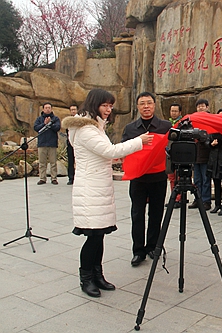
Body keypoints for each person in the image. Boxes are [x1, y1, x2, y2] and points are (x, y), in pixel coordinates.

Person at [62, 88, 153, 297]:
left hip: (98, 187)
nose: (108, 109)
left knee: (100, 234)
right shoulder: (86, 129)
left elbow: (104, 154)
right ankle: (86, 278)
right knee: (93, 237)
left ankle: (97, 274)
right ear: (94, 104)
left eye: (111, 106)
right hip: (90, 189)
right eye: (105, 105)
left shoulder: (95, 126)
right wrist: (140, 141)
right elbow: (109, 151)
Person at [121, 92, 172, 267]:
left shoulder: (165, 126)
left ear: (155, 105)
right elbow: (124, 150)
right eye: (142, 103)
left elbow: (170, 149)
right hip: (138, 178)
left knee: (156, 213)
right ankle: (138, 250)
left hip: (158, 177)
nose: (146, 106)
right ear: (137, 107)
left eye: (149, 103)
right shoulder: (130, 129)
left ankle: (153, 246)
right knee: (137, 214)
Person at [188, 99, 212, 211]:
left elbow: (211, 137)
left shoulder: (211, 120)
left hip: (206, 155)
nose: (200, 108)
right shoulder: (193, 121)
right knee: (197, 180)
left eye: (202, 106)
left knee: (206, 179)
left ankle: (206, 201)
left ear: (207, 107)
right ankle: (197, 199)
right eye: (198, 106)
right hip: (195, 155)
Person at [34, 102, 61, 185]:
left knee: (53, 162)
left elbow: (57, 127)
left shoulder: (55, 119)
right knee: (42, 163)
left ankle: (54, 178)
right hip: (42, 143)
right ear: (43, 109)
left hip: (52, 143)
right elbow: (36, 128)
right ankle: (42, 178)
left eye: (49, 107)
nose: (48, 109)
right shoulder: (39, 119)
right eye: (46, 108)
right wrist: (44, 124)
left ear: (51, 109)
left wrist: (50, 124)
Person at [167, 103, 183, 208]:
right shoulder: (167, 124)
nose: (173, 113)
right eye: (172, 111)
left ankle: (179, 198)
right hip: (169, 155)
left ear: (180, 112)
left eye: (175, 111)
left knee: (179, 177)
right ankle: (173, 197)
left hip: (180, 155)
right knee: (171, 177)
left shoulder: (182, 124)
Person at [66, 105, 78, 185]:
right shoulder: (68, 121)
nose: (73, 111)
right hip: (70, 143)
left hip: (79, 144)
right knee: (70, 161)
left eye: (74, 110)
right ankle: (71, 178)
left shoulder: (80, 120)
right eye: (72, 110)